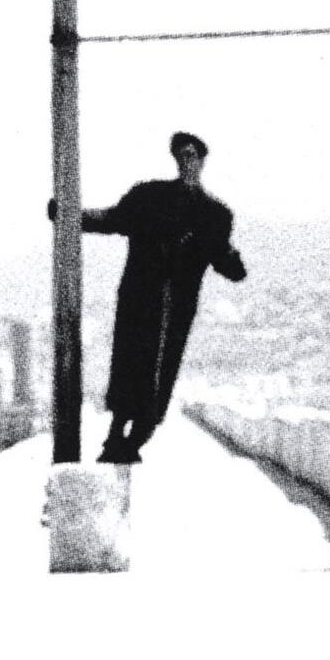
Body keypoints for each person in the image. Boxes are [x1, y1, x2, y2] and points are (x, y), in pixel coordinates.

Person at [69, 131, 248, 466]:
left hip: (176, 310)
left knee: (160, 375)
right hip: (139, 302)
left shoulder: (215, 214)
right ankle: (117, 435)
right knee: (129, 367)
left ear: (202, 160)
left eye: (191, 154)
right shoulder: (148, 197)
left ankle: (134, 439)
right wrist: (70, 215)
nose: (185, 161)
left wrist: (233, 263)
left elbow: (223, 258)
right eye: (180, 154)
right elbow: (111, 219)